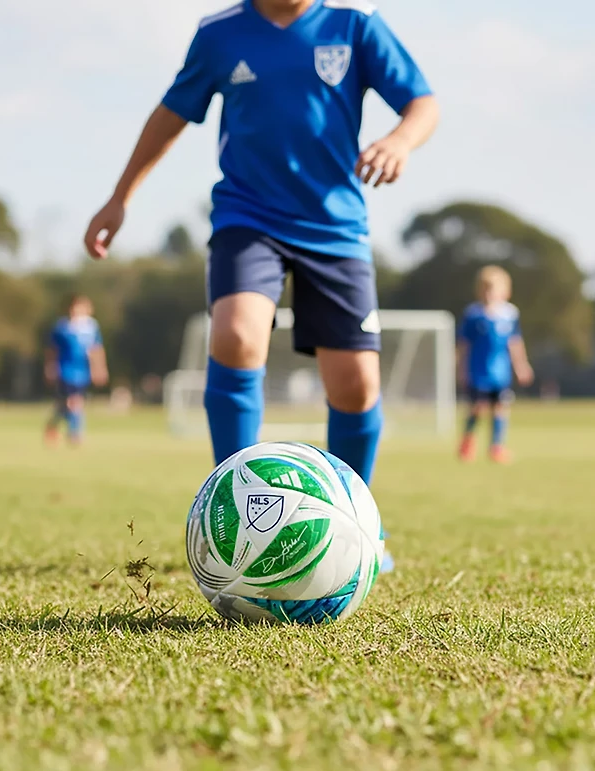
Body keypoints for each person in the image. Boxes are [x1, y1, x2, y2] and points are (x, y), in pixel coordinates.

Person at [83, 0, 439, 570]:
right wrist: (120, 196)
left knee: (355, 386)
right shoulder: (220, 34)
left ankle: (357, 522)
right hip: (248, 219)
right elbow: (171, 114)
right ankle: (238, 512)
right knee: (235, 335)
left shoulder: (355, 23)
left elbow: (422, 102)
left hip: (335, 227)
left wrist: (399, 141)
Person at [457, 266, 534, 464]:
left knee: (501, 407)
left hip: (500, 372)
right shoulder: (474, 315)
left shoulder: (509, 314)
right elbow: (464, 345)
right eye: (485, 289)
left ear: (505, 291)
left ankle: (496, 446)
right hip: (478, 371)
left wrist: (521, 365)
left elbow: (515, 342)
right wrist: (461, 368)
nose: (489, 293)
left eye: (494, 289)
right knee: (477, 407)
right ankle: (467, 442)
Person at [44, 295, 109, 445]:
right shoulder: (62, 327)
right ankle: (75, 433)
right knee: (74, 402)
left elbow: (96, 350)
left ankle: (53, 426)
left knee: (67, 404)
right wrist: (49, 368)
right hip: (65, 369)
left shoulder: (92, 327)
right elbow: (52, 350)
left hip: (82, 370)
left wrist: (99, 369)